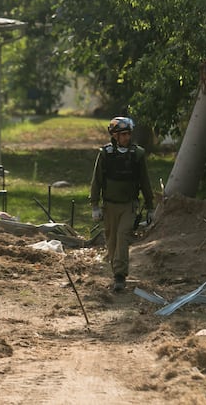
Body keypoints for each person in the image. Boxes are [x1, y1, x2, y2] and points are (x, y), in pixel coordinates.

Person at [90, 116, 155, 292]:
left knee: (122, 237)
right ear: (115, 136)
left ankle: (120, 276)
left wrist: (150, 208)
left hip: (129, 205)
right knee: (111, 242)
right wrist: (95, 205)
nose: (127, 137)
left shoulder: (138, 155)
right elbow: (97, 181)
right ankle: (116, 271)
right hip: (109, 206)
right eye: (123, 134)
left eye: (128, 134)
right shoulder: (105, 154)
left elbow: (145, 182)